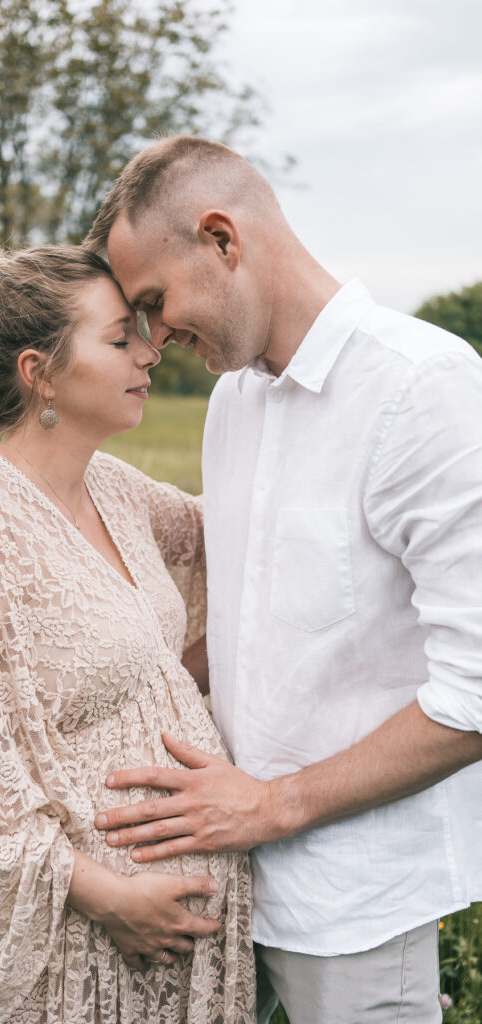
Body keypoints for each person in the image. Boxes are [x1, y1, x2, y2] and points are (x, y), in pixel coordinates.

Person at [84, 135, 482, 1024]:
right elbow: (253, 623)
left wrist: (271, 807)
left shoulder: (422, 388)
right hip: (219, 886)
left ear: (221, 239)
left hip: (354, 907)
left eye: (153, 301)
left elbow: (476, 692)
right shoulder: (234, 399)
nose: (153, 336)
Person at [0, 244, 256, 1024]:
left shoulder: (114, 488)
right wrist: (107, 896)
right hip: (78, 943)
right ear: (39, 372)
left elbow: (231, 539)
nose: (149, 353)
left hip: (174, 947)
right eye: (119, 338)